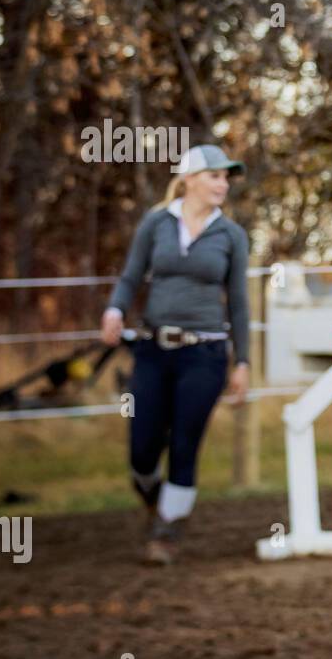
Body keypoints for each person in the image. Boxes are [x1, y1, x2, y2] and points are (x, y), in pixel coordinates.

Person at [100, 144, 251, 564]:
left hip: (204, 355)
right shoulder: (156, 224)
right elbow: (131, 276)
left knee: (185, 444)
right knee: (142, 448)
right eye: (215, 175)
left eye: (226, 177)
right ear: (189, 179)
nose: (223, 184)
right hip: (152, 349)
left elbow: (238, 303)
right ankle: (154, 500)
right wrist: (114, 309)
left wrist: (242, 362)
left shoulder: (232, 236)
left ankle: (166, 533)